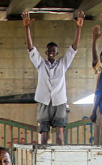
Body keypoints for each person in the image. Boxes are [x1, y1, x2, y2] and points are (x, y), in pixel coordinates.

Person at [22, 10, 85, 145]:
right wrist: (27, 28)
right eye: (49, 51)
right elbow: (31, 49)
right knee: (44, 135)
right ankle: (44, 160)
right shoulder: (40, 64)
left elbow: (74, 49)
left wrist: (78, 29)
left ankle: (59, 159)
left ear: (57, 53)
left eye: (53, 51)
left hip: (59, 102)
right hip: (44, 101)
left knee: (60, 134)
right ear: (46, 52)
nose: (51, 53)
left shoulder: (62, 64)